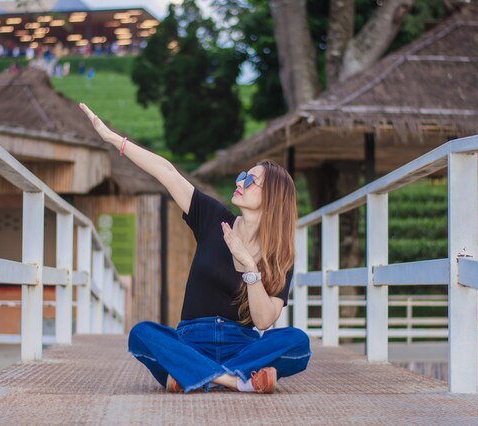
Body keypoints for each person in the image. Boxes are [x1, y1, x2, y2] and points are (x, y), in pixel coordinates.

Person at [79, 103, 311, 394]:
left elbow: (264, 321)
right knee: (142, 335)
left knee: (298, 344)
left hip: (242, 345)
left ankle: (192, 376)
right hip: (191, 340)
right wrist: (115, 140)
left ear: (273, 198)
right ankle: (234, 381)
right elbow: (167, 172)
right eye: (243, 175)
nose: (241, 182)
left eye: (251, 181)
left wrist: (250, 269)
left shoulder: (280, 255)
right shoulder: (213, 218)